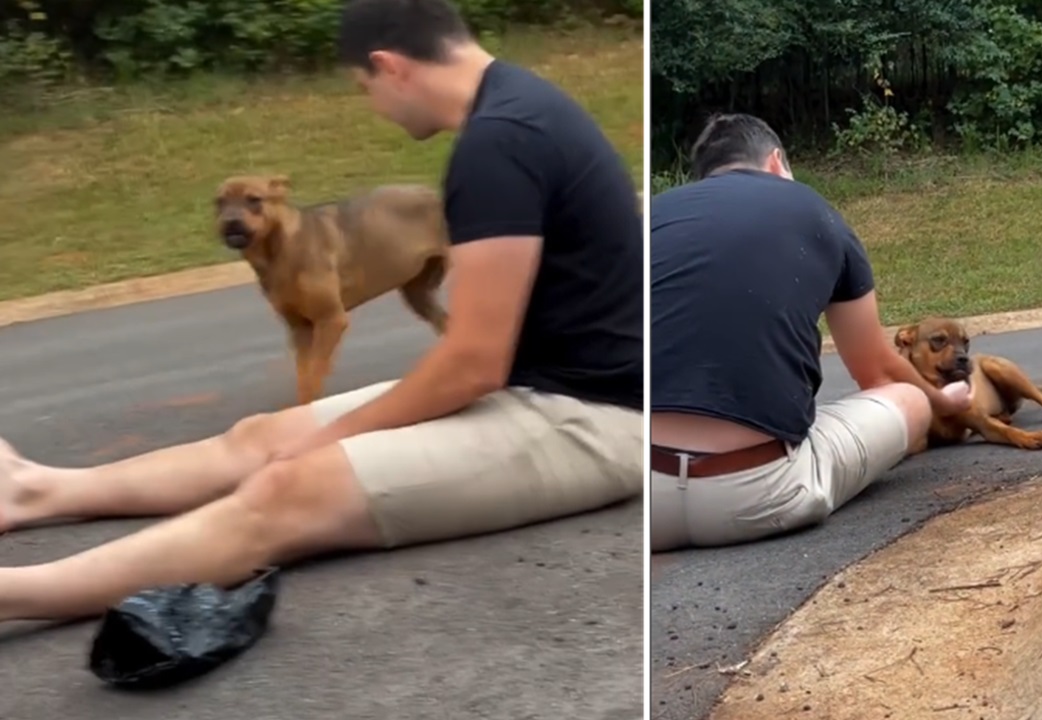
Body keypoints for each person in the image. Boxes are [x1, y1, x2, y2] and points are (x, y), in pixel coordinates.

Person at [0, 0, 644, 622]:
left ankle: (18, 593)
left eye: (365, 87)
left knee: (288, 489)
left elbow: (474, 362)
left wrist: (329, 440)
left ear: (390, 65)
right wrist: (314, 436)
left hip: (596, 419)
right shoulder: (516, 110)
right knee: (261, 437)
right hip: (534, 386)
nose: (374, 106)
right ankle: (38, 489)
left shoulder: (499, 143)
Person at [649, 113, 971, 552]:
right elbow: (875, 371)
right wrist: (942, 400)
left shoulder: (654, 214)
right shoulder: (812, 207)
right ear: (777, 161)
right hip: (762, 493)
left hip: (644, 501)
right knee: (909, 400)